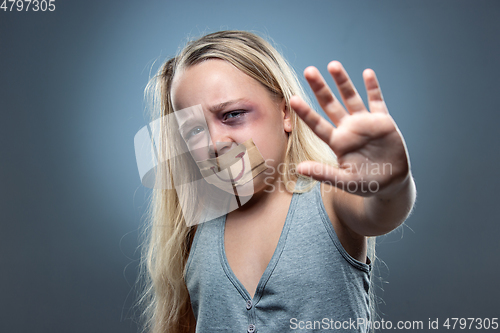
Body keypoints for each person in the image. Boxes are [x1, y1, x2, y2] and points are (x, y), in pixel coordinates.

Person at [137, 30, 416, 333]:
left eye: (233, 114)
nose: (215, 142)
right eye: (193, 131)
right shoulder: (196, 229)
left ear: (285, 113)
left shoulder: (331, 200)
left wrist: (391, 183)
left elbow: (382, 210)